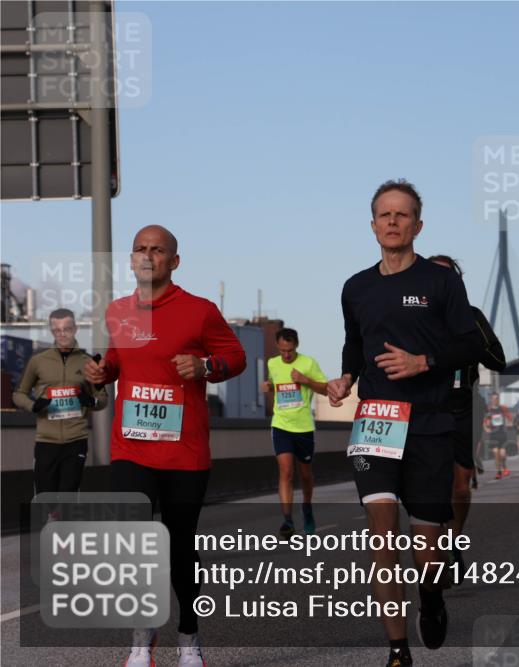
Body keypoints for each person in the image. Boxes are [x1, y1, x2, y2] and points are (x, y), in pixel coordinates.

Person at [327, 180, 488, 667]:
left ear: (418, 225)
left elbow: (471, 344)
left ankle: (431, 595)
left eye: (402, 215)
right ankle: (397, 649)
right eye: (384, 214)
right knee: (382, 532)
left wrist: (424, 361)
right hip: (377, 419)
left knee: (427, 541)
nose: (392, 222)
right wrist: (347, 376)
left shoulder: (441, 283)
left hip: (430, 423)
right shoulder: (356, 287)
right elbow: (354, 341)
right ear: (372, 224)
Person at [84, 225, 247, 667]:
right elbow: (118, 359)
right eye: (140, 248)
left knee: (179, 547)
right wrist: (104, 371)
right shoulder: (118, 311)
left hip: (184, 450)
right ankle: (142, 637)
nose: (147, 255)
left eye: (157, 250)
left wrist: (205, 364)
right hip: (131, 447)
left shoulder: (199, 311)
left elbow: (236, 357)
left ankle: (189, 637)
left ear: (174, 261)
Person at [427, 253, 505, 585]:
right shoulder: (416, 318)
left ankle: (454, 542)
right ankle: (437, 551)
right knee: (431, 486)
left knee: (460, 487)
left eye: (449, 277)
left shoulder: (471, 317)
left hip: (464, 408)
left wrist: (471, 342)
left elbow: (498, 360)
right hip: (428, 408)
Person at [13, 308, 108, 495]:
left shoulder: (89, 361)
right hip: (46, 440)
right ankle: (51, 518)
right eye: (57, 330)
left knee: (68, 494)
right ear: (51, 331)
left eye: (67, 329)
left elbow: (102, 399)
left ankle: (64, 523)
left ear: (75, 328)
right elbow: (19, 394)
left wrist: (90, 400)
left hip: (76, 439)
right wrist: (33, 405)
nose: (62, 334)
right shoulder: (38, 361)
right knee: (45, 496)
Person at [260, 327, 327, 538]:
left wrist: (305, 379)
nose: (286, 355)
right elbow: (276, 384)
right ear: (278, 348)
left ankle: (307, 509)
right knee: (286, 472)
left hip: (304, 427)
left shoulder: (308, 363)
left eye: (289, 350)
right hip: (281, 425)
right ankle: (287, 520)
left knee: (305, 475)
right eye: (282, 350)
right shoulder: (273, 363)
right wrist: (269, 386)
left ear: (296, 346)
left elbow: (324, 388)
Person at [483, 392, 510, 479]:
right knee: (496, 453)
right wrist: (486, 428)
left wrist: (509, 423)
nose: (495, 400)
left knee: (503, 454)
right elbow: (484, 421)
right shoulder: (489, 410)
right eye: (493, 398)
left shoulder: (503, 408)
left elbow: (509, 418)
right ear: (491, 399)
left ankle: (504, 466)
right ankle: (498, 472)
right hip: (493, 435)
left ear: (498, 399)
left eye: (496, 398)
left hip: (502, 434)